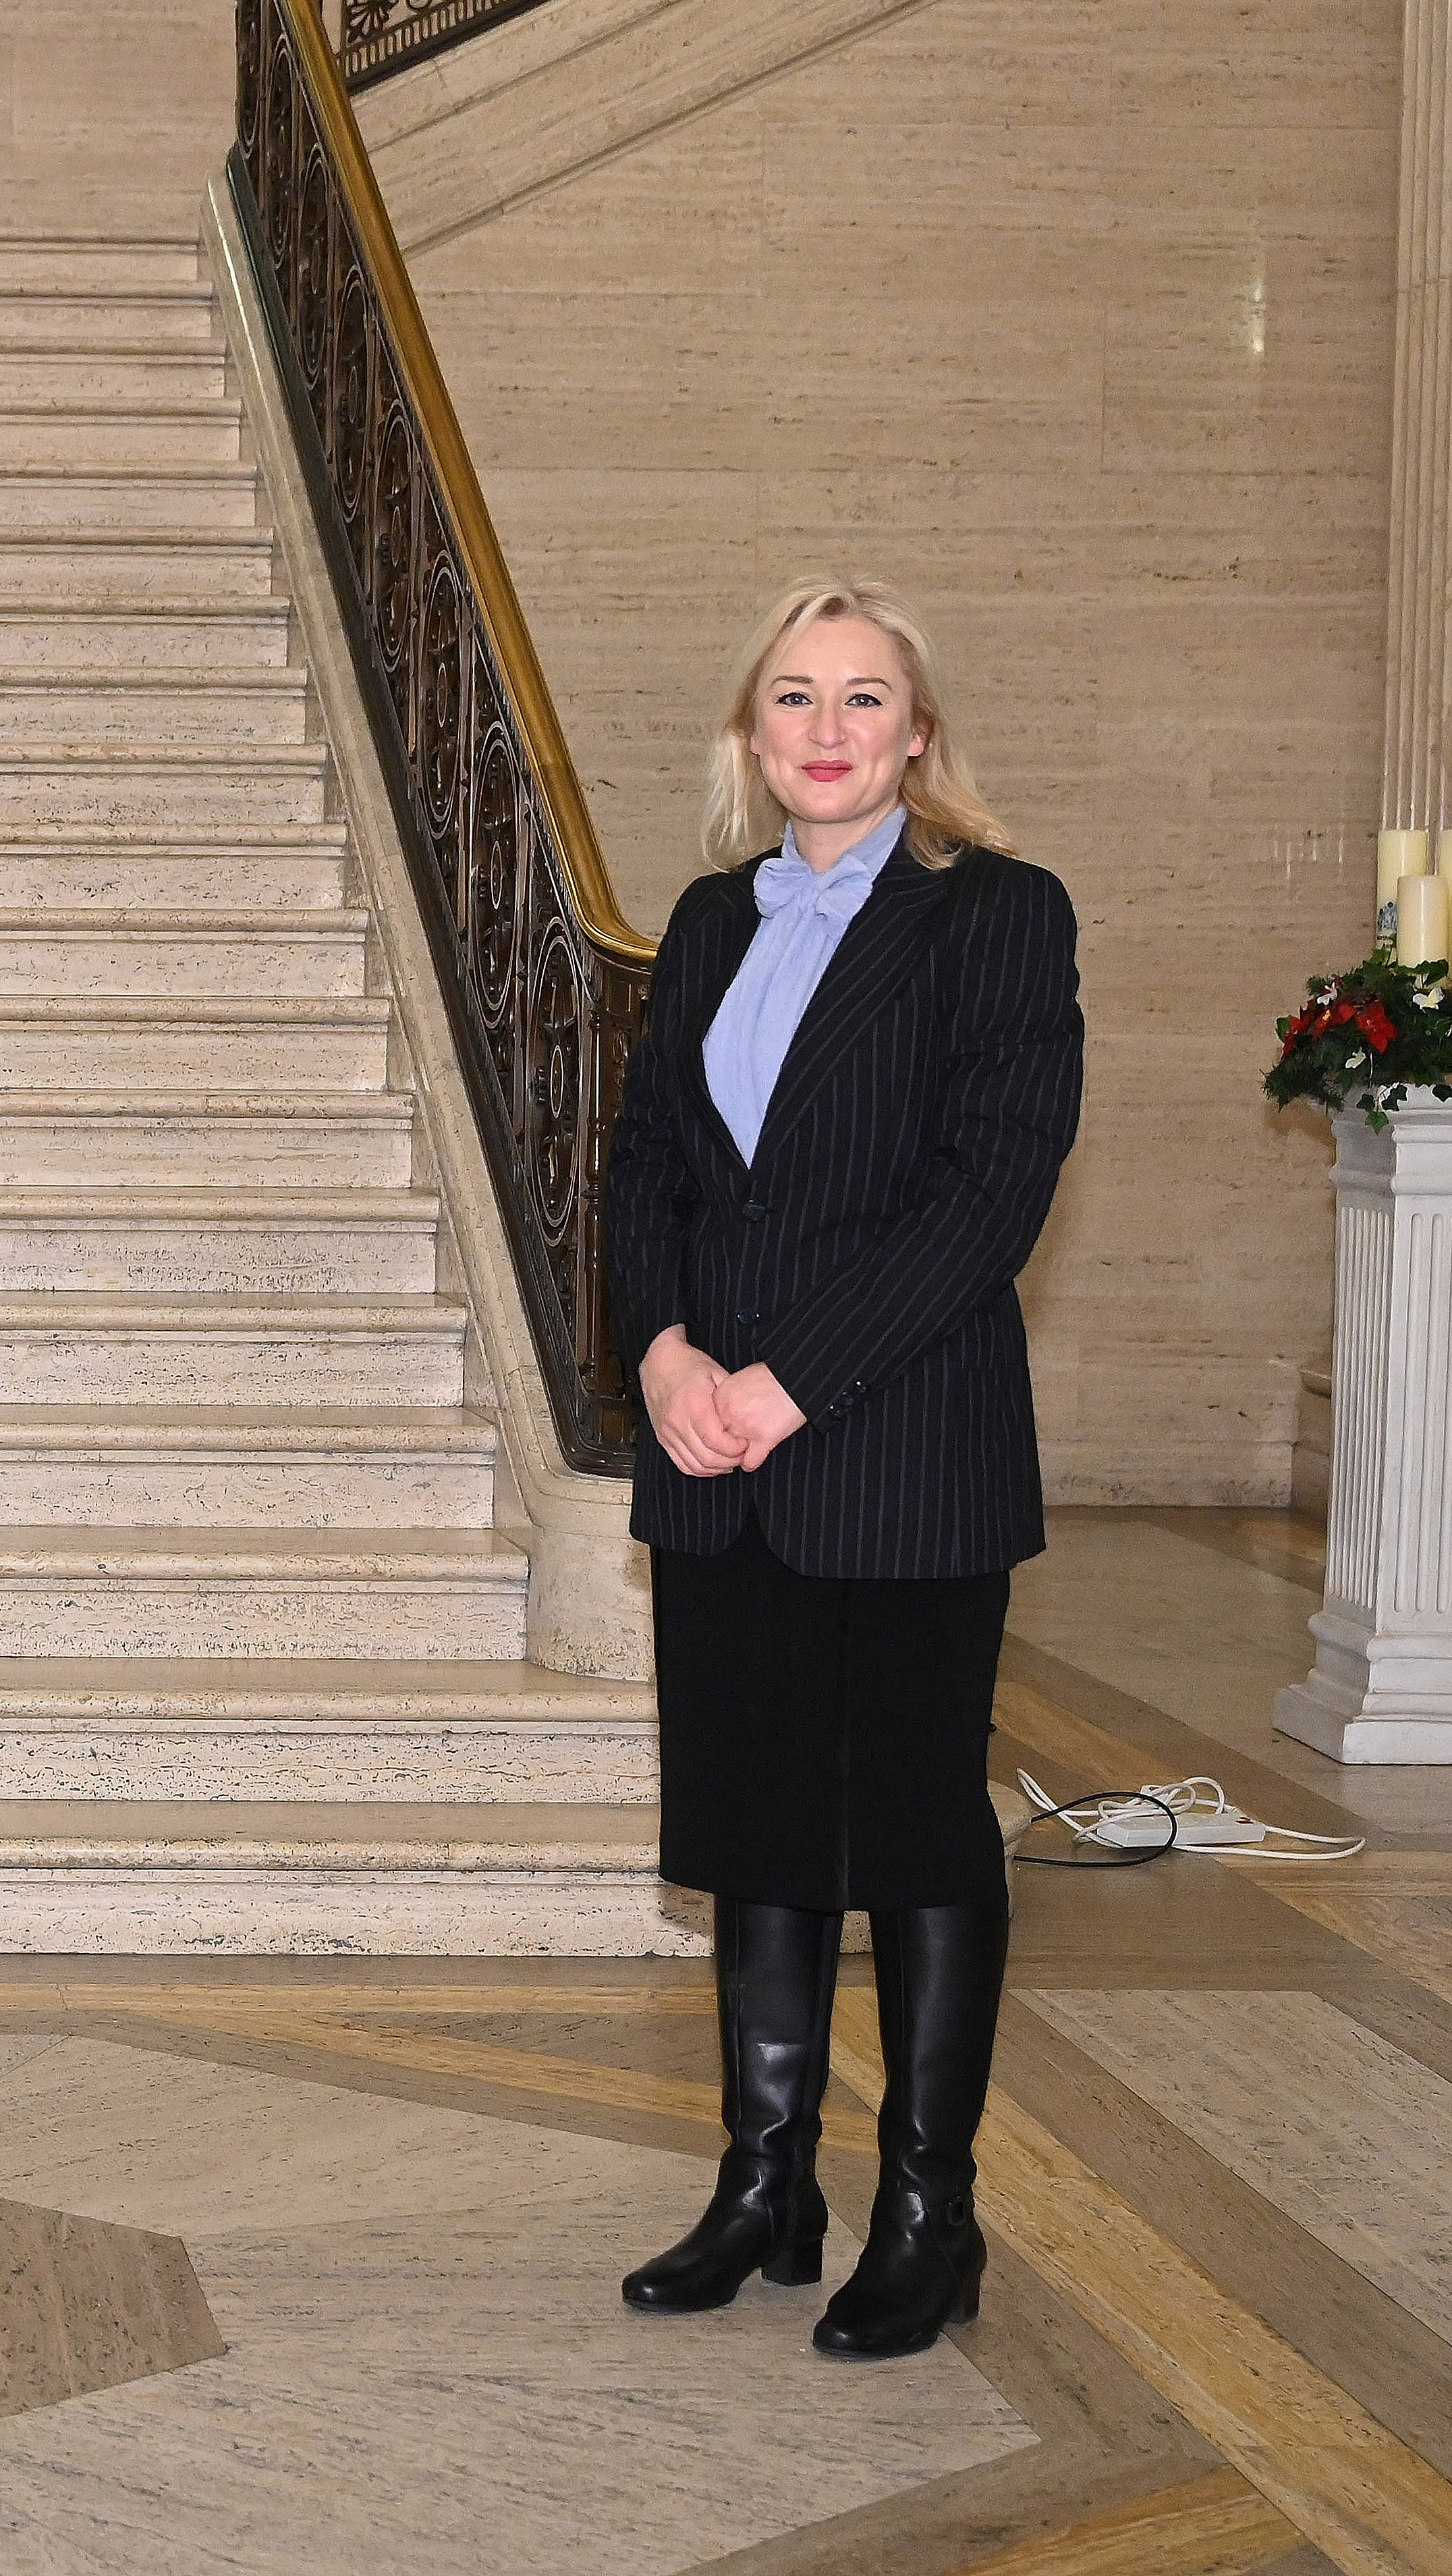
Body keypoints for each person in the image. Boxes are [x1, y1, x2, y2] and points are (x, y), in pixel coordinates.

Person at [604, 574, 1081, 2361]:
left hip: (894, 1450)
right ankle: (762, 2186)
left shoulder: (994, 918)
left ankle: (923, 2212)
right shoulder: (706, 921)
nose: (823, 729)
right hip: (708, 1452)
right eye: (790, 699)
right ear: (748, 735)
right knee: (751, 1823)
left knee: (910, 1829)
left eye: (859, 700)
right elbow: (643, 1161)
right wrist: (656, 1353)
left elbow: (987, 1193)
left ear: (916, 735)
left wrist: (781, 1382)